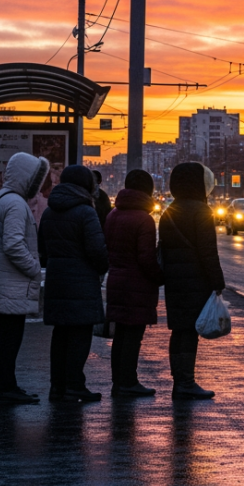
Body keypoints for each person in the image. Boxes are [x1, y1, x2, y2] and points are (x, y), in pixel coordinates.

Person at [0, 152, 50, 405]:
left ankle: (5, 385)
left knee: (4, 335)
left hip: (4, 280)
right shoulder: (15, 203)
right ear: (27, 177)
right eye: (35, 178)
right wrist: (34, 268)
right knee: (10, 337)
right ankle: (5, 389)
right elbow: (13, 244)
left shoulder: (2, 198)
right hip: (11, 282)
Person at [39, 165, 109, 403]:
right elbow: (97, 251)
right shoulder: (85, 212)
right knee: (80, 335)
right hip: (81, 282)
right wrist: (101, 267)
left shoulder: (49, 211)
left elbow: (42, 250)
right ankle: (75, 386)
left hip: (57, 280)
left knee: (60, 336)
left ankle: (57, 387)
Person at [160, 162, 226, 400]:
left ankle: (180, 380)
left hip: (174, 282)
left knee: (179, 331)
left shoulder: (170, 211)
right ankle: (186, 382)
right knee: (190, 332)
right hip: (195, 280)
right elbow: (208, 251)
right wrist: (217, 281)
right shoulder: (201, 211)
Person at [104, 169, 162, 398]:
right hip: (136, 284)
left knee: (120, 334)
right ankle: (129, 381)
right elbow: (146, 258)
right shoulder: (144, 219)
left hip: (116, 280)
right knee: (133, 335)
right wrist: (160, 277)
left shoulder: (113, 215)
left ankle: (118, 381)